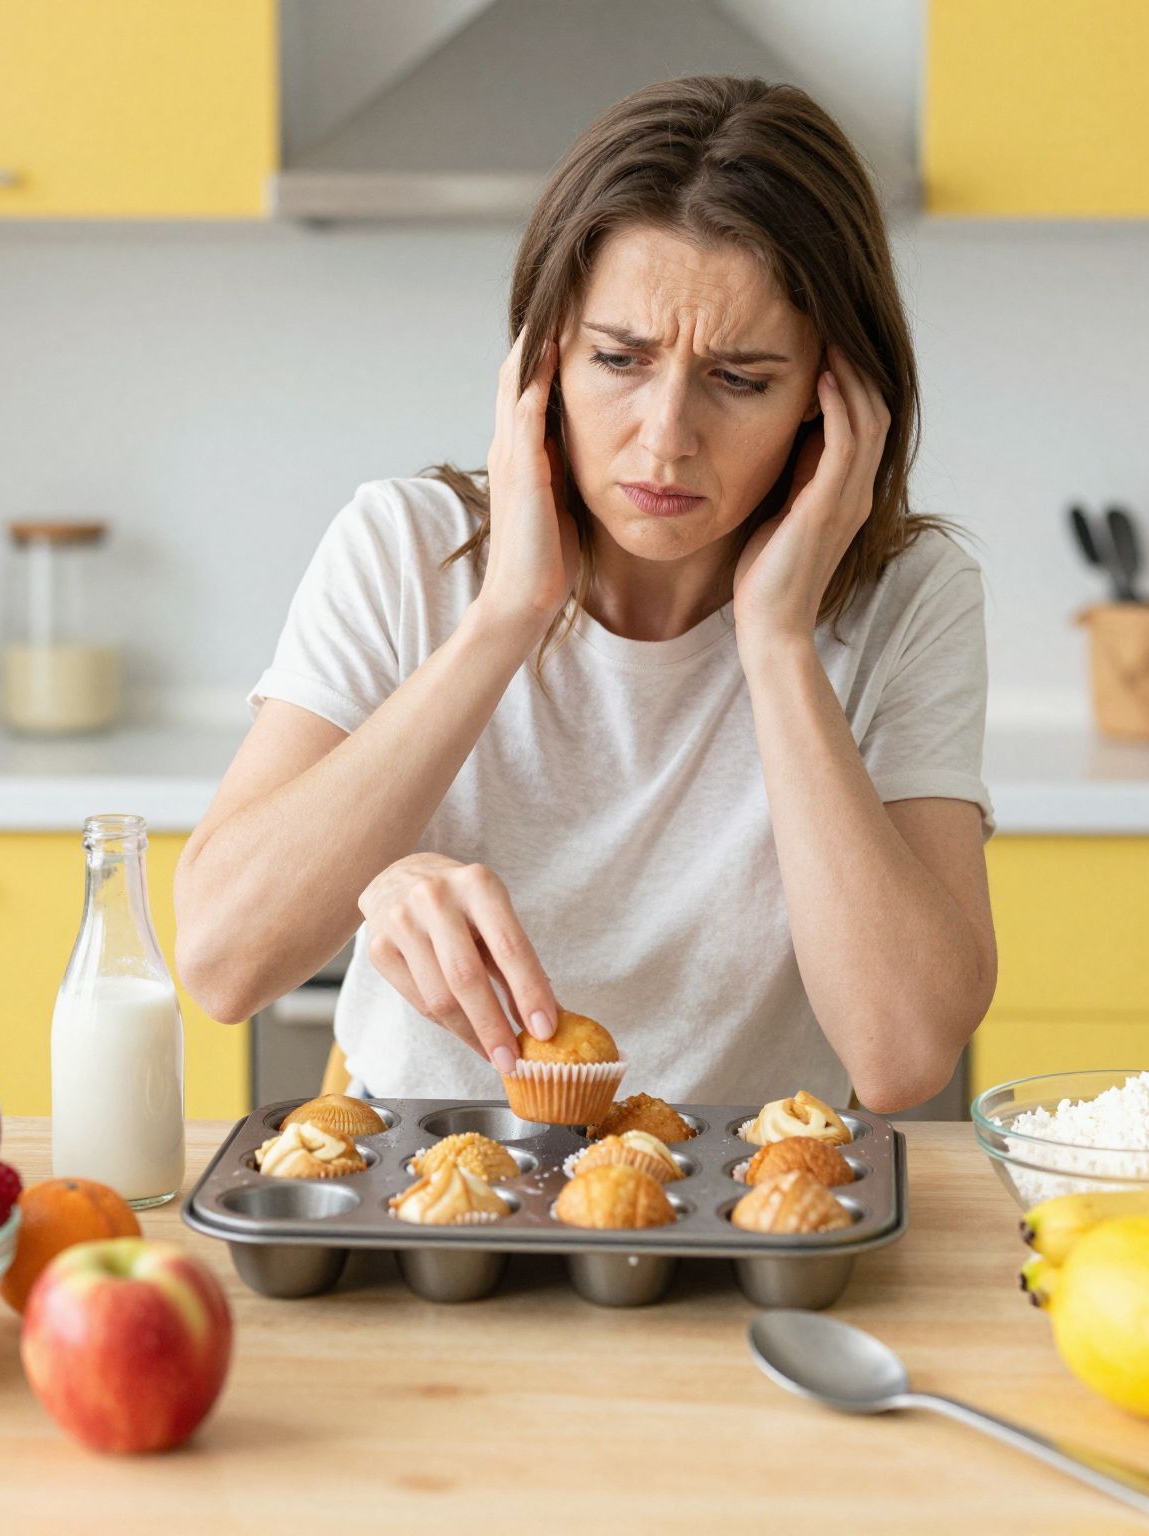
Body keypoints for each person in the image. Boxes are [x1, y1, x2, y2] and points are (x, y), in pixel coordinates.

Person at [175, 74, 997, 1112]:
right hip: (431, 1197)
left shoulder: (909, 600)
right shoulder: (401, 547)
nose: (665, 437)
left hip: (745, 1205)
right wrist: (506, 613)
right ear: (542, 361)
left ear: (830, 405)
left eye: (740, 380)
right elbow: (218, 962)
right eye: (618, 359)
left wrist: (780, 643)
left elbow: (902, 1057)